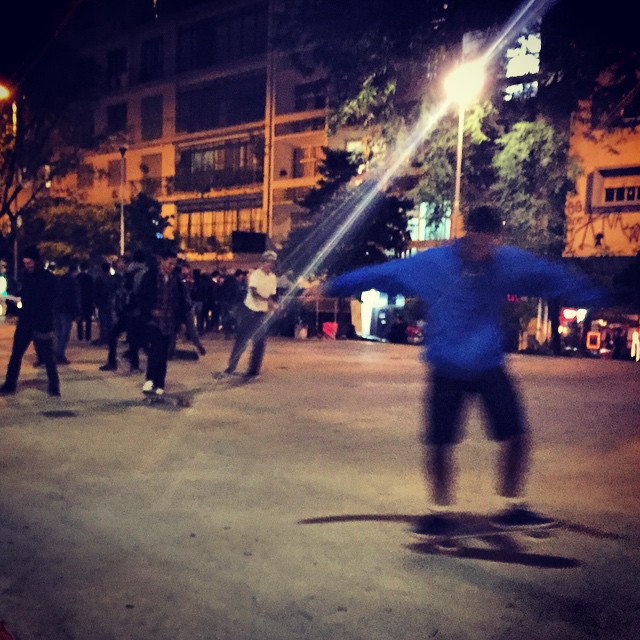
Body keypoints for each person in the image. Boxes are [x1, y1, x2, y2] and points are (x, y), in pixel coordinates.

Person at [318, 205, 609, 535]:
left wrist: (601, 295)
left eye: (488, 245)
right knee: (440, 443)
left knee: (517, 436)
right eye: (475, 243)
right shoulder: (433, 264)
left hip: (488, 365)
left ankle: (511, 508)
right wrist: (332, 287)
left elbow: (549, 276)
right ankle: (440, 512)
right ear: (466, 233)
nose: (481, 253)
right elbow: (385, 273)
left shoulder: (506, 262)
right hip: (447, 367)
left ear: (497, 240)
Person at [0, 245, 60, 396]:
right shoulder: (26, 275)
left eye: (29, 263)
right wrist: (15, 300)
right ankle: (10, 384)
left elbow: (50, 300)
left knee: (47, 357)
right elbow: (24, 293)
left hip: (41, 322)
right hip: (26, 322)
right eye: (25, 263)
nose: (27, 266)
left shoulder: (48, 278)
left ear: (36, 261)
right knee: (16, 354)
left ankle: (54, 387)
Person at [216, 251, 278, 379]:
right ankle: (231, 368)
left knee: (260, 343)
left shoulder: (272, 278)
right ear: (263, 262)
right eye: (267, 262)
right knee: (242, 340)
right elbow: (254, 293)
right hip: (249, 311)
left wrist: (273, 306)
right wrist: (267, 301)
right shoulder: (255, 275)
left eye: (272, 262)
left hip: (261, 313)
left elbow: (270, 296)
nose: (269, 265)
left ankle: (253, 371)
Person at [137, 247, 188, 396]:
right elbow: (141, 297)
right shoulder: (150, 276)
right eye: (170, 263)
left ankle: (160, 382)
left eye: (174, 264)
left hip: (169, 321)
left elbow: (181, 302)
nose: (172, 267)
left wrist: (182, 322)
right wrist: (150, 310)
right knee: (155, 350)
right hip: (153, 321)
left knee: (164, 353)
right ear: (162, 261)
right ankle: (150, 380)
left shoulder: (176, 280)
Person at [53, 255, 81, 365]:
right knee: (65, 333)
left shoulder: (59, 280)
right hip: (66, 310)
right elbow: (75, 298)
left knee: (58, 332)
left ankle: (56, 353)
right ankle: (60, 354)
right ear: (75, 271)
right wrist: (77, 313)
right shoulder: (73, 282)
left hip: (56, 309)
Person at [76, 261, 95, 342]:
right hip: (88, 300)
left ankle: (80, 335)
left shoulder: (77, 278)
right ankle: (88, 335)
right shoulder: (90, 278)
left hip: (79, 300)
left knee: (79, 320)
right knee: (88, 320)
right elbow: (93, 290)